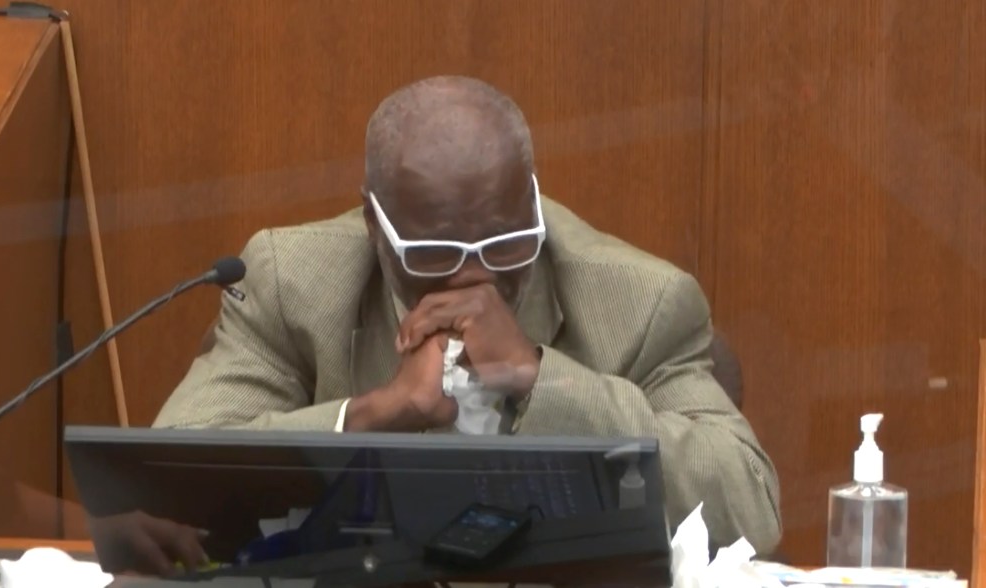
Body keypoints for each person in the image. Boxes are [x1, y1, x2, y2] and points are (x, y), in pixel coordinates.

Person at [154, 75, 781, 555]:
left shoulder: (639, 300)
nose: (474, 278)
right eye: (433, 254)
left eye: (506, 246)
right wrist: (374, 414)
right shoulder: (294, 280)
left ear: (533, 206)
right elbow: (170, 482)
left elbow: (750, 504)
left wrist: (544, 379)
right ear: (376, 226)